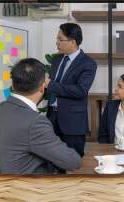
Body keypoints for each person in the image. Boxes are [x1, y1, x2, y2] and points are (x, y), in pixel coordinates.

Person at [0, 58, 81, 174]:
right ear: (42, 87)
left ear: (13, 85)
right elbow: (73, 162)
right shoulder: (35, 122)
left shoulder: (1, 109)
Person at [44, 23, 97, 157]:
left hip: (72, 123)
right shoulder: (56, 59)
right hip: (52, 118)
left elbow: (80, 90)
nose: (56, 42)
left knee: (73, 163)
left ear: (72, 41)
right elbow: (50, 87)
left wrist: (50, 84)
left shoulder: (88, 63)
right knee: (52, 160)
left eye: (60, 39)